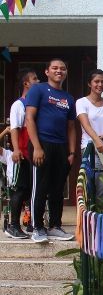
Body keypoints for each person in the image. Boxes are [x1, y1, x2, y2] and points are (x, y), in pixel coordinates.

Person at [26, 58, 77, 243]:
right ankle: (37, 227)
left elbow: (71, 127)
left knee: (57, 189)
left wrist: (71, 153)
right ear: (47, 71)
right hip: (42, 144)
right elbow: (29, 119)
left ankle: (55, 225)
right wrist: (37, 147)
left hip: (61, 148)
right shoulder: (38, 90)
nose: (59, 71)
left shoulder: (68, 98)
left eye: (62, 68)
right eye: (55, 68)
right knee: (40, 188)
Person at [4, 69, 39, 239]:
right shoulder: (19, 104)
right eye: (35, 78)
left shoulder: (37, 104)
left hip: (35, 155)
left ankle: (32, 224)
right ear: (26, 83)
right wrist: (16, 149)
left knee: (32, 190)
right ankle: (13, 225)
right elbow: (15, 129)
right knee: (20, 189)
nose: (38, 80)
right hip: (23, 154)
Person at [76, 70, 103, 153]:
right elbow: (86, 125)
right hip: (89, 147)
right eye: (96, 81)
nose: (100, 84)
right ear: (89, 84)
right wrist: (97, 140)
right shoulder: (81, 102)